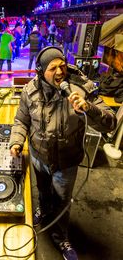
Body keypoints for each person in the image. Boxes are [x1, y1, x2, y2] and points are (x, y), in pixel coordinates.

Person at [9, 46, 117, 260]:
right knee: (43, 191)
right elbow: (22, 120)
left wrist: (88, 108)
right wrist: (16, 141)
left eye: (62, 66)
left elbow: (111, 122)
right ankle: (43, 209)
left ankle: (61, 238)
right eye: (52, 68)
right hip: (39, 157)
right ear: (41, 71)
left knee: (62, 203)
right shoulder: (30, 90)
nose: (60, 72)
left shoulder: (82, 88)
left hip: (66, 162)